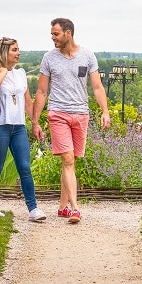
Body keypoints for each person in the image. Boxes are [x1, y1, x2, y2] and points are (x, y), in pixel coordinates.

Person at [32, 18, 111, 224]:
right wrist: (35, 121)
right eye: (52, 34)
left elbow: (97, 87)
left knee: (71, 161)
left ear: (68, 33)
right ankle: (75, 209)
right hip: (58, 113)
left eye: (56, 34)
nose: (53, 37)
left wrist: (105, 111)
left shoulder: (87, 56)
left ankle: (62, 207)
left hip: (81, 114)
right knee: (67, 159)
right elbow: (41, 91)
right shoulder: (49, 58)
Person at [0, 37, 47, 222]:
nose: (18, 53)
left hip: (18, 127)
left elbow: (28, 103)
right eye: (14, 50)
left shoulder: (21, 74)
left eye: (18, 50)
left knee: (25, 168)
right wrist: (4, 70)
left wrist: (35, 123)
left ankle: (33, 209)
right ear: (4, 52)